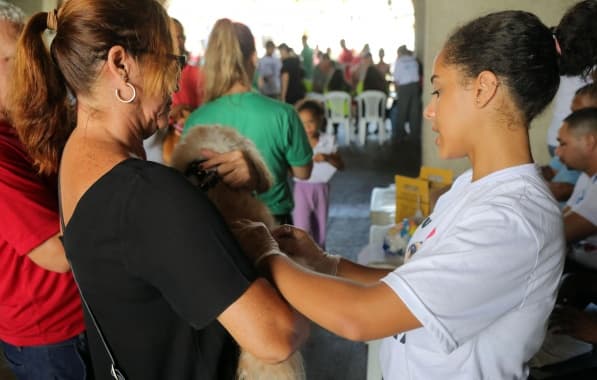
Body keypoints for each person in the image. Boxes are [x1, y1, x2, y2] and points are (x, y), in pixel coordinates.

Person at [235, 10, 568, 379]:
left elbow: (360, 316)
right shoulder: (470, 188)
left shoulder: (512, 220)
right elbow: (410, 288)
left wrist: (265, 253)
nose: (429, 109)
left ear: (484, 88)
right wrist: (324, 263)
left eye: (439, 90)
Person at [10, 2, 309, 379]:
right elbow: (279, 336)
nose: (177, 81)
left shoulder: (75, 156)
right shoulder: (148, 193)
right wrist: (264, 248)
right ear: (121, 64)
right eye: (172, 60)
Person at [0, 2, 92, 379]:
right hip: (51, 336)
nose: (27, 70)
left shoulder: (25, 125)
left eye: (27, 56)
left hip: (80, 312)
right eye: (9, 60)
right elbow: (57, 254)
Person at [184, 19, 312, 225]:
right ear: (254, 59)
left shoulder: (195, 120)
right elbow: (303, 172)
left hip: (218, 230)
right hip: (275, 228)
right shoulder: (284, 114)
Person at [293, 99, 344, 248]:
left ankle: (319, 260)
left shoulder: (328, 140)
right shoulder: (296, 142)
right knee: (301, 228)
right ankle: (303, 262)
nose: (307, 127)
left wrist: (327, 157)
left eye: (311, 122)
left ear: (320, 121)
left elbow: (341, 165)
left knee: (320, 229)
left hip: (321, 188)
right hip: (301, 188)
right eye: (302, 123)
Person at [541, 83, 597, 206]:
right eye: (571, 113)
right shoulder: (570, 145)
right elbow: (551, 171)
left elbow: (564, 191)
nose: (570, 119)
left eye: (580, 114)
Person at [555, 108, 597, 271]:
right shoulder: (587, 176)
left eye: (563, 144)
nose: (558, 152)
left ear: (589, 142)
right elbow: (562, 218)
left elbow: (556, 235)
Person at [392, 45, 422, 144]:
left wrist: (397, 92)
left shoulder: (399, 61)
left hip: (404, 88)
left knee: (402, 112)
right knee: (414, 112)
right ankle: (414, 136)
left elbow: (396, 79)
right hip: (415, 87)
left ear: (400, 52)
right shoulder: (414, 60)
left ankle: (399, 137)